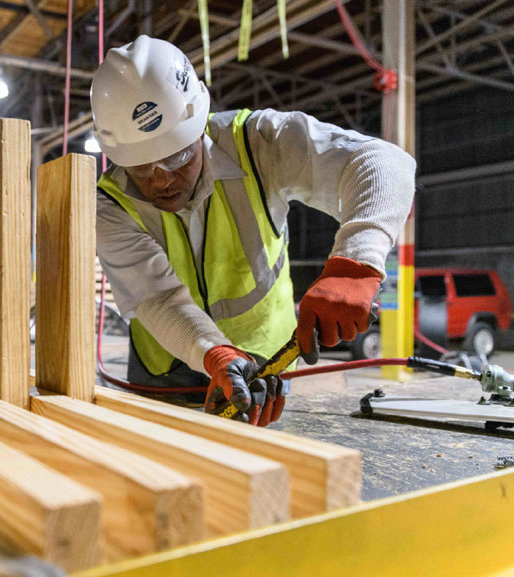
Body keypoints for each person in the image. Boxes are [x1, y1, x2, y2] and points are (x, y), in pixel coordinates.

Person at [91, 35, 415, 426]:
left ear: (199, 127)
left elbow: (383, 162)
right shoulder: (109, 203)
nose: (161, 180)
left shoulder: (258, 145)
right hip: (165, 368)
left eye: (176, 155)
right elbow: (156, 299)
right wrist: (216, 354)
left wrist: (356, 262)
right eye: (141, 166)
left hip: (263, 363)